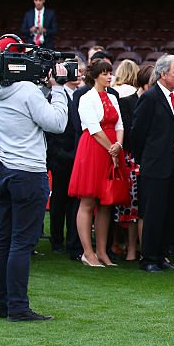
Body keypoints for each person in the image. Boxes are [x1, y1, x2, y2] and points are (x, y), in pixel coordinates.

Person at [0, 36, 69, 321]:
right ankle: (18, 307)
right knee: (21, 243)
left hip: (4, 171)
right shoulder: (27, 92)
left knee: (4, 239)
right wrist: (57, 90)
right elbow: (57, 123)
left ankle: (1, 305)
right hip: (29, 171)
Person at [67, 59, 127, 267]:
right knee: (88, 201)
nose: (109, 76)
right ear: (95, 76)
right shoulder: (86, 98)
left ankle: (102, 251)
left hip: (112, 148)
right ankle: (87, 252)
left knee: (106, 203)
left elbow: (120, 123)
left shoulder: (112, 96)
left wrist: (118, 145)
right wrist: (112, 146)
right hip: (94, 149)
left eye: (110, 73)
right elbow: (92, 127)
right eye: (105, 73)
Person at [130, 54, 174, 273]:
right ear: (163, 74)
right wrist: (144, 159)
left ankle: (162, 255)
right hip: (155, 164)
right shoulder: (151, 97)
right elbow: (138, 133)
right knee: (153, 212)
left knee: (169, 211)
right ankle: (149, 258)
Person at [47, 61, 84, 256]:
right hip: (61, 157)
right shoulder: (54, 95)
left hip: (77, 155)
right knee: (60, 199)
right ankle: (56, 240)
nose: (77, 75)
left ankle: (73, 239)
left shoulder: (82, 95)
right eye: (73, 71)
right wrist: (61, 154)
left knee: (75, 200)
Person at [111, 60, 141, 262]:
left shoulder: (112, 93)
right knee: (132, 206)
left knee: (115, 203)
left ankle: (115, 244)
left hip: (118, 154)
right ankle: (131, 249)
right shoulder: (134, 97)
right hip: (132, 156)